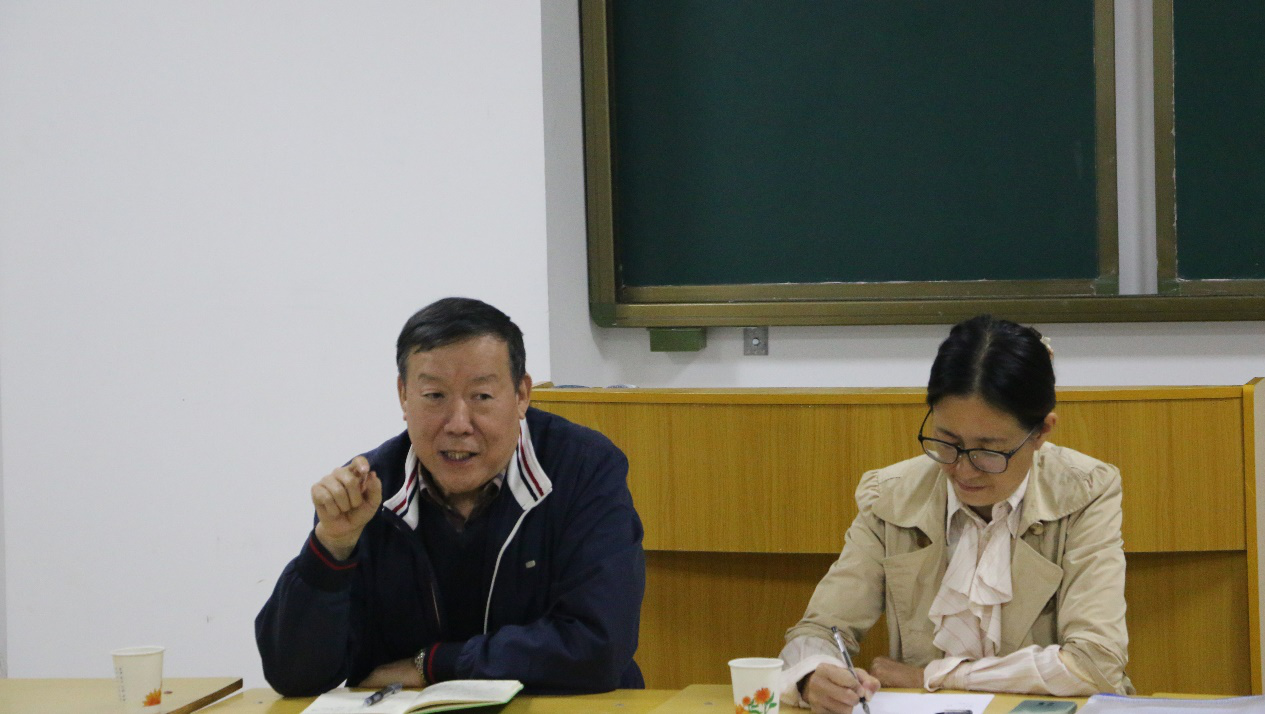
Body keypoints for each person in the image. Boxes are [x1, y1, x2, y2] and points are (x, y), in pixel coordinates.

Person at [255, 297, 645, 696]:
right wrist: (332, 546)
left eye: (482, 396)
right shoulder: (368, 492)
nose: (458, 424)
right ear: (403, 395)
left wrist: (434, 665)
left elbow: (597, 646)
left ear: (522, 395)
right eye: (434, 396)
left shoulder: (583, 470)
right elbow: (294, 676)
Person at [780, 315, 1131, 713]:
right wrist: (812, 674)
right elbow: (819, 630)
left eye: (989, 450)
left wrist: (935, 676)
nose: (963, 470)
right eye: (947, 442)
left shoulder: (1085, 492)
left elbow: (1095, 663)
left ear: (1041, 432)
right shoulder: (891, 496)